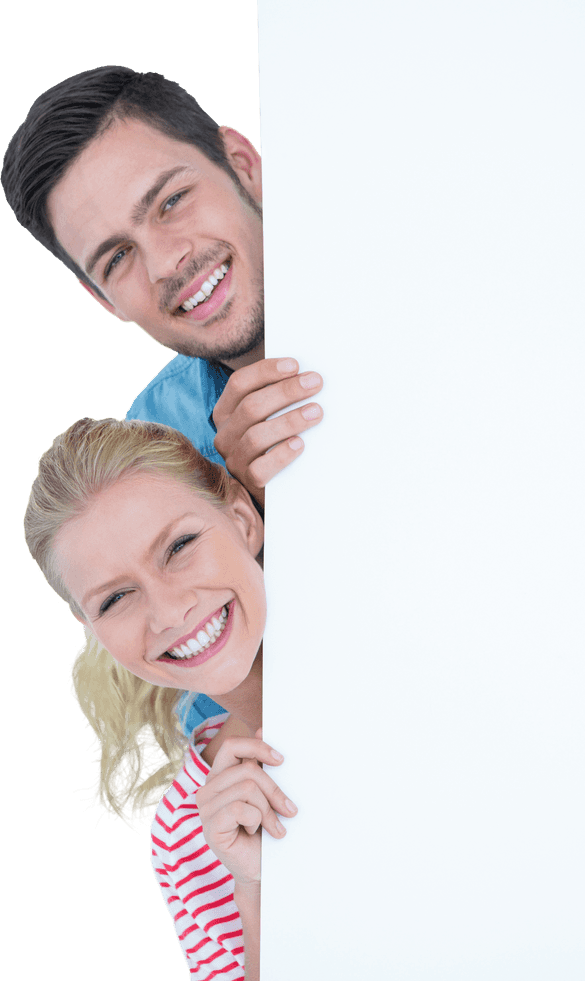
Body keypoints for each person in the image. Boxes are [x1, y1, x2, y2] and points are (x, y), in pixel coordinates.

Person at [3, 66, 324, 728]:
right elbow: (214, 707)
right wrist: (256, 507)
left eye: (172, 201)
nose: (165, 262)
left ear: (243, 166)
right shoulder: (155, 444)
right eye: (117, 257)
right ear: (102, 298)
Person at [24, 416, 291, 981]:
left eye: (179, 547)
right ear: (92, 631)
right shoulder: (185, 833)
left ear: (242, 520)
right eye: (115, 598)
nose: (168, 613)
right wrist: (256, 889)